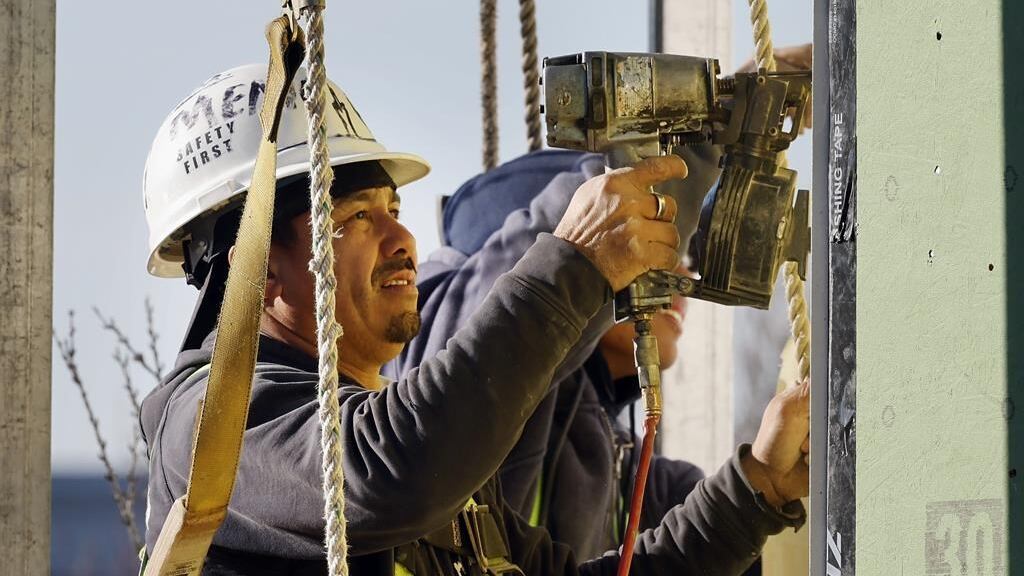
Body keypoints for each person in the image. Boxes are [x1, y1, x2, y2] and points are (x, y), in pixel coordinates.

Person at [141, 64, 809, 576]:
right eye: (355, 217)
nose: (402, 239)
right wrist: (573, 266)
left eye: (393, 208)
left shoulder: (425, 465)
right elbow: (389, 469)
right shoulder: (211, 427)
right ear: (254, 271)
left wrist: (758, 489)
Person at [387, 150, 715, 561]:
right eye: (650, 235)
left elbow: (694, 529)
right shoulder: (454, 375)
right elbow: (504, 332)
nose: (683, 274)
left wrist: (760, 487)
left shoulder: (611, 450)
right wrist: (695, 145)